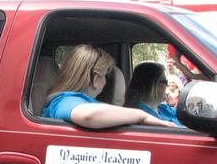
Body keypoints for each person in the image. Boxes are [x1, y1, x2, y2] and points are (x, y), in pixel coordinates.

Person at [42, 44, 175, 129]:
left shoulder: (76, 100)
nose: (106, 82)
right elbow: (89, 115)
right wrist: (142, 116)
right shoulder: (63, 100)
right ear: (96, 79)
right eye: (105, 76)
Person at [124, 61, 183, 126]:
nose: (167, 85)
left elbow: (186, 115)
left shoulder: (162, 108)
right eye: (165, 81)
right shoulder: (142, 116)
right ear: (153, 85)